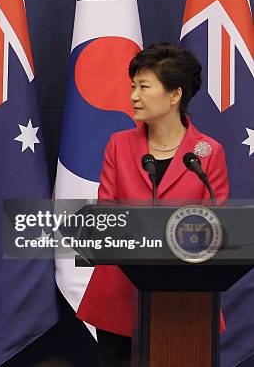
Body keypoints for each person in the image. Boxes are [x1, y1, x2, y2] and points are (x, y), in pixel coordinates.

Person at [76, 43, 229, 366]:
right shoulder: (119, 145)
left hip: (186, 302)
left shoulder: (207, 152)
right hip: (118, 295)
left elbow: (217, 228)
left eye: (144, 87)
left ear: (175, 95)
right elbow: (107, 215)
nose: (133, 96)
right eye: (133, 86)